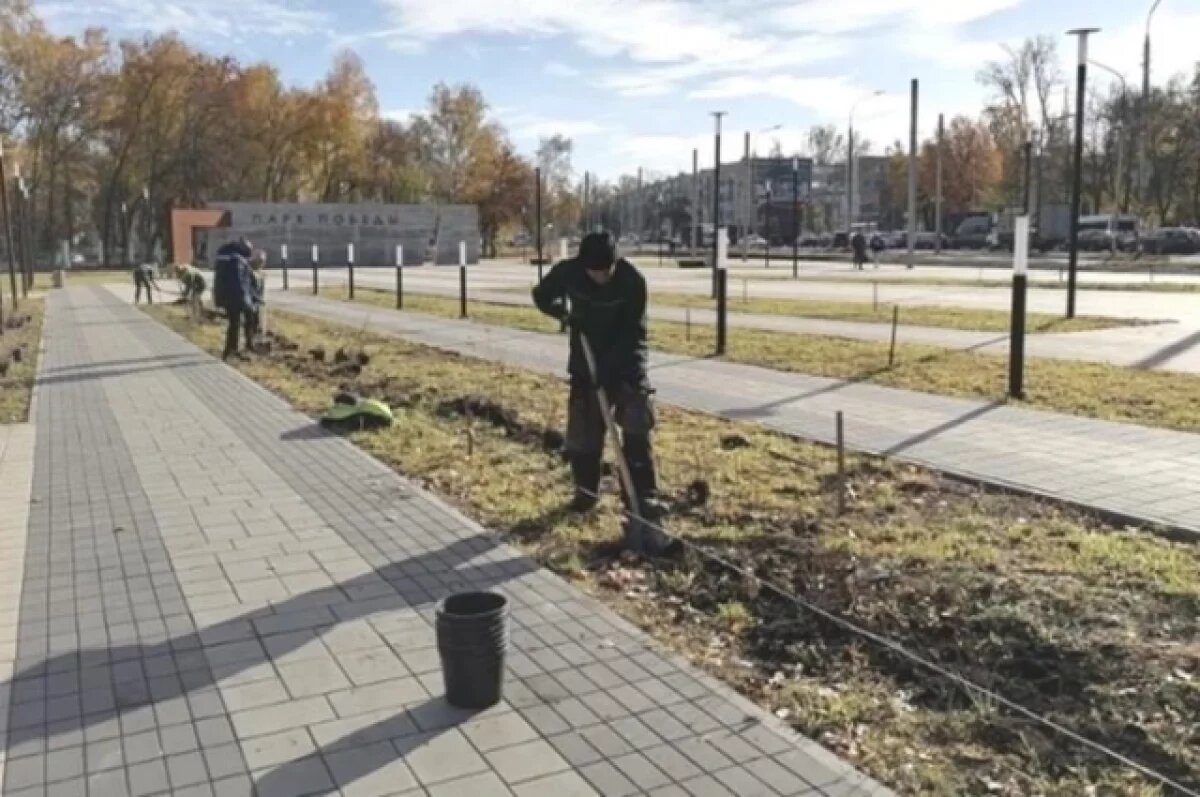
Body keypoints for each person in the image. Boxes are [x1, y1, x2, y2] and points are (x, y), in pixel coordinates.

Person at [532, 231, 664, 521]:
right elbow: (541, 295)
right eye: (595, 272)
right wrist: (564, 315)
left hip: (626, 362)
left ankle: (642, 496)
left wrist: (617, 370)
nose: (601, 277)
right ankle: (586, 493)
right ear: (584, 266)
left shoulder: (632, 282)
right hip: (585, 363)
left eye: (606, 271)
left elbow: (634, 333)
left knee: (637, 425)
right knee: (584, 434)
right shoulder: (569, 272)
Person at [212, 238, 255, 361]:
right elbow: (239, 282)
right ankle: (232, 350)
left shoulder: (225, 256)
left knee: (234, 323)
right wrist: (246, 301)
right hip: (235, 296)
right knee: (236, 323)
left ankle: (230, 350)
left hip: (224, 295)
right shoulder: (237, 260)